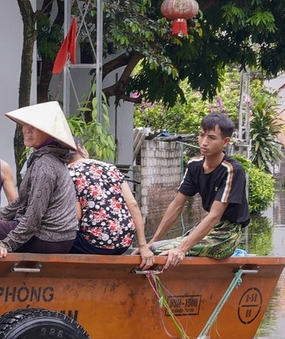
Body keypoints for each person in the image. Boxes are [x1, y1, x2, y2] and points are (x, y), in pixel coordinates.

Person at [148, 112, 249, 265]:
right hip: (206, 230)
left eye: (212, 137)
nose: (204, 142)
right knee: (152, 247)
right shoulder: (194, 164)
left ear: (225, 141)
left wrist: (182, 249)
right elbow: (176, 205)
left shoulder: (231, 170)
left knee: (158, 250)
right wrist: (152, 241)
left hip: (226, 235)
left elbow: (214, 216)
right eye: (201, 135)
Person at [0, 102, 81, 255]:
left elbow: (33, 218)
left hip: (49, 239)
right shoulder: (46, 157)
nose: (27, 130)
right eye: (25, 125)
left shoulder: (45, 164)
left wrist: (6, 244)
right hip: (57, 238)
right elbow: (21, 201)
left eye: (35, 127)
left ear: (49, 133)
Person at [68, 155, 154, 263]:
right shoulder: (111, 168)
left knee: (60, 236)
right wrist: (143, 246)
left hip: (94, 244)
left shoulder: (70, 172)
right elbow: (133, 204)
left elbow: (76, 215)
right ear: (83, 150)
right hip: (124, 242)